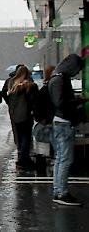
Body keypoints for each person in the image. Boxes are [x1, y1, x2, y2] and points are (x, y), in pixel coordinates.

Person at [49, 54, 87, 206]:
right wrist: (79, 101)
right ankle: (62, 192)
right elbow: (61, 103)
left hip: (60, 122)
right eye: (77, 69)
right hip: (64, 123)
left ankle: (58, 191)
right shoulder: (60, 79)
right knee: (65, 159)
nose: (77, 72)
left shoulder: (56, 77)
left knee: (60, 159)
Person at [5, 66, 37, 170]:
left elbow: (6, 96)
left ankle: (21, 156)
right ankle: (23, 159)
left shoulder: (12, 85)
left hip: (15, 115)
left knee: (20, 136)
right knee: (26, 138)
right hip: (26, 115)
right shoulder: (30, 86)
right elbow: (33, 101)